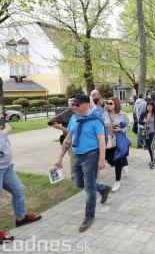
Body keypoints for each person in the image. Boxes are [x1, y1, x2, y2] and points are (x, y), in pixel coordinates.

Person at [54, 94, 111, 232]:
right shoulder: (74, 118)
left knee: (89, 187)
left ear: (86, 104)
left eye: (77, 104)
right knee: (80, 183)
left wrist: (101, 159)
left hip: (91, 156)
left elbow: (102, 140)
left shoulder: (95, 120)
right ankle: (104, 189)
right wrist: (59, 156)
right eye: (73, 104)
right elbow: (68, 138)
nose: (74, 107)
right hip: (78, 156)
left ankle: (89, 216)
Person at [0, 122, 42, 244]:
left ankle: (21, 218)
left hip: (6, 168)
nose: (2, 115)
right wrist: (4, 134)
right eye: (0, 112)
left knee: (19, 190)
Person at [103, 97, 130, 192]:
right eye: (108, 103)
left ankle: (117, 181)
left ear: (116, 104)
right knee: (110, 161)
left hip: (119, 140)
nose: (109, 105)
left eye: (111, 103)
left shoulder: (123, 115)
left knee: (117, 159)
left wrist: (120, 129)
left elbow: (128, 126)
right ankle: (123, 162)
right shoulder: (105, 114)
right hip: (109, 140)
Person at [47, 100, 76, 179]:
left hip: (79, 139)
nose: (75, 106)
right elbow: (51, 122)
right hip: (70, 139)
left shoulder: (79, 112)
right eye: (74, 105)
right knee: (73, 157)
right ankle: (74, 175)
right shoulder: (66, 113)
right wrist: (65, 130)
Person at [139, 101, 155, 169]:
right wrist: (143, 121)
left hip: (153, 131)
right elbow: (139, 121)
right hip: (145, 131)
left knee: (150, 146)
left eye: (150, 106)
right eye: (148, 106)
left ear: (153, 107)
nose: (149, 107)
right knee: (149, 146)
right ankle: (153, 157)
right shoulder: (143, 114)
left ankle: (152, 161)